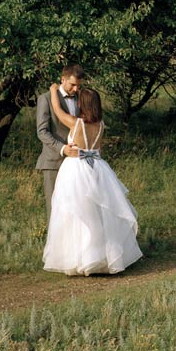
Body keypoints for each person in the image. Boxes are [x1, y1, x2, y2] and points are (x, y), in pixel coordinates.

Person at [42, 83, 142, 275]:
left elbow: (57, 110)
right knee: (97, 212)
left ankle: (81, 257)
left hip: (76, 168)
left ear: (83, 104)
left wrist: (54, 91)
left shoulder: (76, 123)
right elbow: (98, 149)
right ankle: (101, 255)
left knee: (78, 212)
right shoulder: (101, 125)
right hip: (97, 167)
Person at [35, 64, 84, 220]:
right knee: (55, 208)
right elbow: (42, 132)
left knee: (76, 207)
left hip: (76, 162)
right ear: (63, 79)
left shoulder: (81, 98)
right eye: (73, 85)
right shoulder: (46, 98)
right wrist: (62, 148)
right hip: (53, 161)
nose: (76, 89)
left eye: (78, 85)